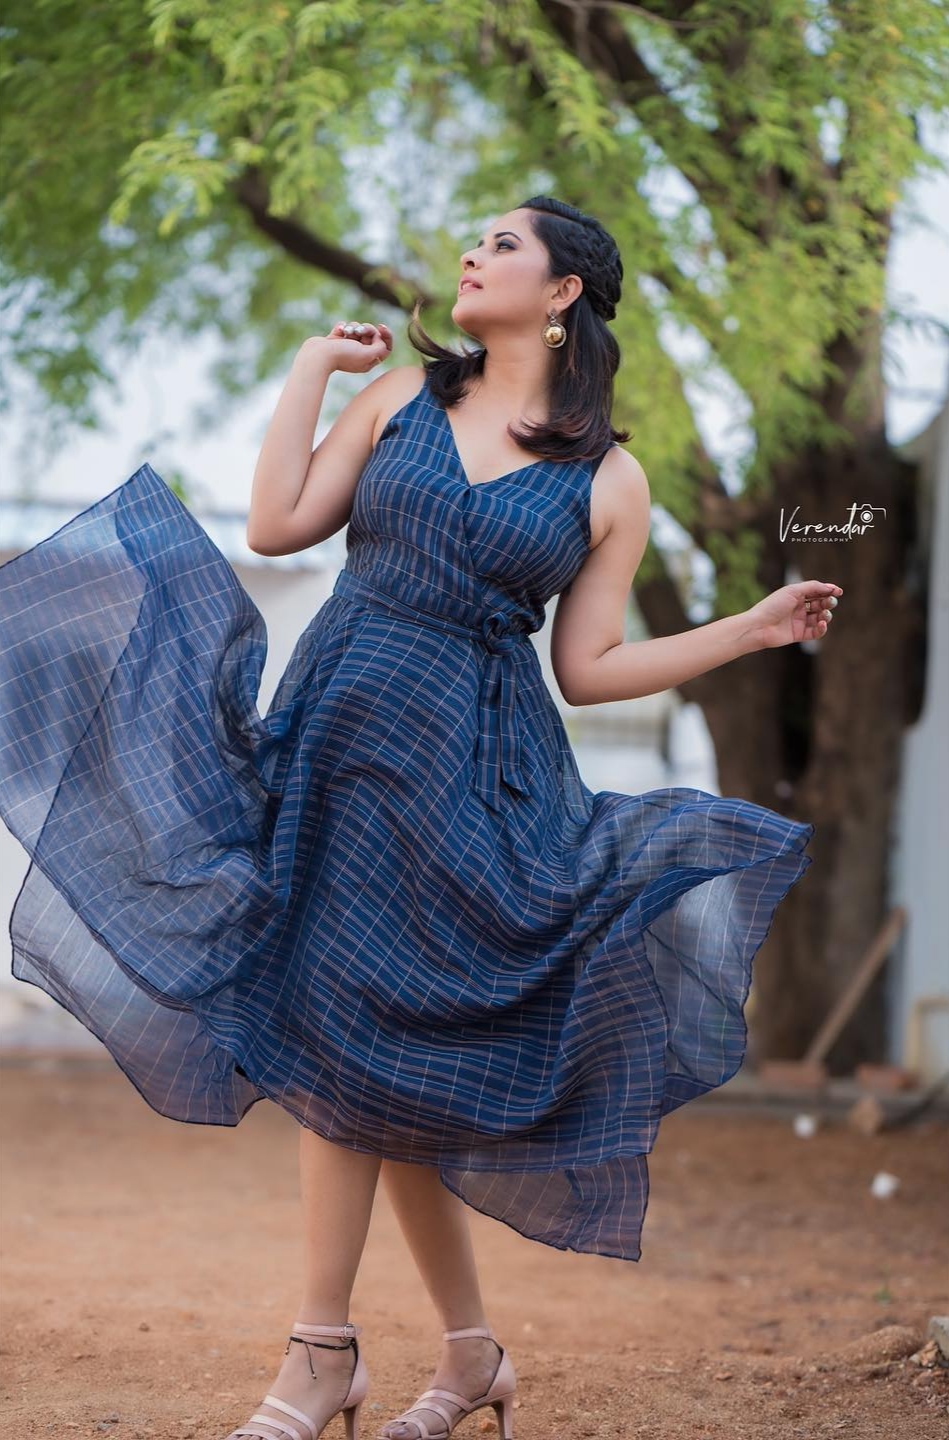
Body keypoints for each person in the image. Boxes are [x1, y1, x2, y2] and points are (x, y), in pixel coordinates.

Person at [0, 196, 842, 1440]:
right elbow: (275, 525)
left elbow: (590, 668)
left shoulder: (608, 478)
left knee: (367, 1046)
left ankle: (326, 1354)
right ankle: (461, 1353)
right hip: (340, 734)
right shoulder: (400, 400)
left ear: (563, 293)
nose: (472, 255)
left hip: (473, 768)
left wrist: (749, 630)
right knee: (363, 1047)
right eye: (475, 241)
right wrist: (310, 371)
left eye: (502, 245)